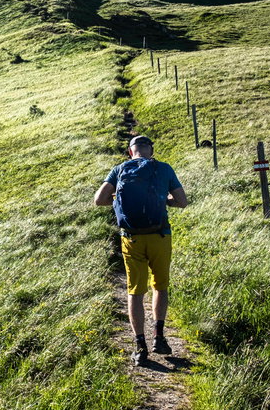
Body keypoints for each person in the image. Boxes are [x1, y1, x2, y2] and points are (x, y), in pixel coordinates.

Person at [94, 135, 188, 366]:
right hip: (160, 236)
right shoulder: (164, 169)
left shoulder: (118, 170)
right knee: (160, 286)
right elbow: (182, 201)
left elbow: (98, 200)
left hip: (132, 239)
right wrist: (163, 200)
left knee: (135, 292)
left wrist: (116, 201)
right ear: (151, 151)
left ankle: (140, 345)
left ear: (130, 152)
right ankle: (159, 337)